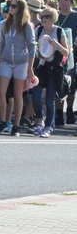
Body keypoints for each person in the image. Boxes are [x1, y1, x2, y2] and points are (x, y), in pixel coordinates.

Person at [0, 0, 36, 137]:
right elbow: (2, 43)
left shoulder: (26, 26)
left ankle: (16, 125)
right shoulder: (5, 24)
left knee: (18, 94)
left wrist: (30, 68)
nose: (11, 8)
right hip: (6, 61)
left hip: (21, 62)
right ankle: (4, 121)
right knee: (1, 92)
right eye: (10, 5)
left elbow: (32, 47)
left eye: (14, 6)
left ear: (21, 9)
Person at [32, 7, 70, 138]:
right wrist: (38, 54)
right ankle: (38, 121)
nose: (44, 19)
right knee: (35, 96)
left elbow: (66, 52)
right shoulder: (39, 30)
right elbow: (33, 47)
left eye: (47, 16)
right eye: (43, 17)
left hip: (54, 69)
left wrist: (56, 45)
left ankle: (49, 126)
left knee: (50, 99)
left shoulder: (59, 31)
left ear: (53, 18)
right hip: (41, 68)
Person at [56, 0, 77, 126]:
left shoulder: (75, 16)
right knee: (59, 83)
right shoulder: (55, 16)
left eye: (67, 0)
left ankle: (69, 109)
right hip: (57, 54)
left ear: (71, 2)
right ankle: (59, 114)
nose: (64, 2)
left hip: (73, 55)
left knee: (71, 84)